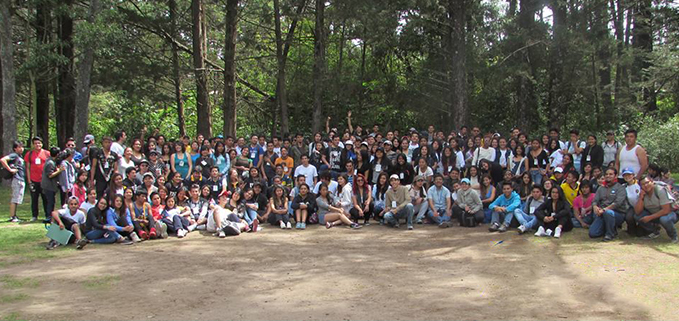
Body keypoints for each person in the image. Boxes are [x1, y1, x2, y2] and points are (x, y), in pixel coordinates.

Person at [634, 177, 678, 243]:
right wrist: (641, 197)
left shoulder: (659, 190)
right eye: (643, 184)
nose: (645, 185)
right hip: (655, 214)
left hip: (670, 213)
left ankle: (674, 236)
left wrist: (649, 217)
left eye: (647, 182)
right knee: (637, 216)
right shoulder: (642, 193)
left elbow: (666, 210)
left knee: (664, 219)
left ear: (652, 182)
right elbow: (637, 212)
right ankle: (654, 232)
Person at [590, 168, 628, 241]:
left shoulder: (620, 188)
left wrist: (604, 210)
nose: (608, 176)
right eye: (606, 174)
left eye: (611, 174)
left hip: (617, 213)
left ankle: (610, 234)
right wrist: (595, 207)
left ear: (616, 176)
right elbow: (595, 200)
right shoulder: (601, 188)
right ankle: (608, 227)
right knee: (593, 233)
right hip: (602, 213)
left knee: (608, 213)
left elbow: (617, 203)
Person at [24, 137, 50, 221]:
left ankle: (47, 215)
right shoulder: (29, 154)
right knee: (34, 199)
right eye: (35, 143)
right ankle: (34, 216)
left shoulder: (47, 153)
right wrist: (29, 181)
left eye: (39, 143)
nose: (37, 145)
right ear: (33, 145)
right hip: (34, 180)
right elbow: (27, 168)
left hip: (44, 180)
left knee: (45, 198)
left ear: (42, 144)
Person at [1, 141, 26, 222]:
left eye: (22, 147)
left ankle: (14, 215)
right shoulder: (14, 155)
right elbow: (3, 160)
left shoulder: (20, 156)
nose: (21, 149)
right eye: (19, 147)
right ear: (15, 148)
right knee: (15, 198)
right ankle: (12, 217)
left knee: (17, 198)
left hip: (21, 179)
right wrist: (10, 170)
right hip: (17, 179)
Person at [41, 147, 62, 223]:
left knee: (51, 201)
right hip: (48, 186)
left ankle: (50, 216)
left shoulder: (51, 161)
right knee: (50, 201)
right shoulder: (50, 163)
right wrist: (59, 170)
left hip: (51, 186)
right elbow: (50, 175)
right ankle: (49, 217)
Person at [621, 167, 643, 236]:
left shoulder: (640, 184)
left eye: (629, 175)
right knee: (629, 217)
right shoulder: (623, 187)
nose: (627, 177)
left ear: (633, 175)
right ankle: (632, 231)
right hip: (631, 206)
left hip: (642, 205)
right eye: (625, 175)